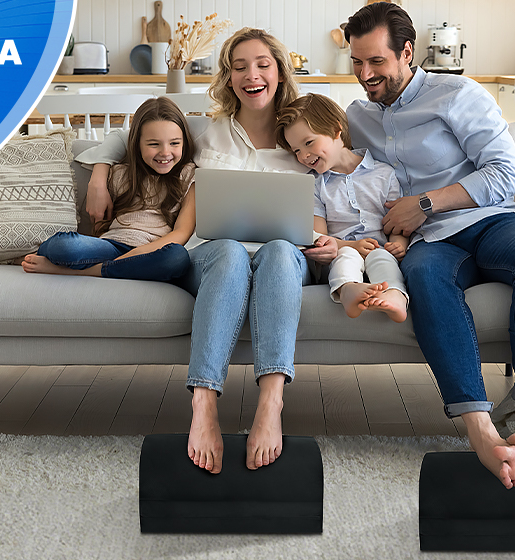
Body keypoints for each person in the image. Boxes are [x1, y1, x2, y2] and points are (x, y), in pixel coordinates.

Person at [343, 2, 515, 489]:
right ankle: (481, 430)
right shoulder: (357, 117)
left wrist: (423, 203)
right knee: (424, 278)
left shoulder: (457, 93)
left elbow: (506, 173)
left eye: (376, 62)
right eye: (356, 62)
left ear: (407, 52)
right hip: (430, 242)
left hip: (488, 221)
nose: (365, 74)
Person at [80, 28, 318, 474]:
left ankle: (271, 404)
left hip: (281, 260)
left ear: (280, 72)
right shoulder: (206, 131)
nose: (252, 76)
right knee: (227, 250)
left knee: (283, 251)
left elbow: (347, 157)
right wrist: (97, 176)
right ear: (227, 78)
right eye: (239, 67)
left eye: (263, 65)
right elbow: (129, 137)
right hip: (212, 257)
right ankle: (204, 405)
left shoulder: (304, 134)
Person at [22, 96, 195, 284]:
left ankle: (79, 272)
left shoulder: (189, 176)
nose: (165, 152)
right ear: (137, 143)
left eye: (174, 143)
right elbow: (99, 225)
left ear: (184, 142)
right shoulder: (120, 173)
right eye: (154, 144)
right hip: (111, 245)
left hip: (154, 251)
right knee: (63, 245)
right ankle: (116, 269)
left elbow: (182, 232)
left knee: (177, 258)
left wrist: (134, 256)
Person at [275, 93, 409, 323]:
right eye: (296, 150)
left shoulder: (384, 173)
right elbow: (319, 238)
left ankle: (395, 296)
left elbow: (397, 220)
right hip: (339, 252)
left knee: (382, 257)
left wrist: (399, 244)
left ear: (336, 130)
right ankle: (347, 290)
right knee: (347, 256)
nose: (304, 156)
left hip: (379, 248)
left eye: (308, 143)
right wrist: (352, 245)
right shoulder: (315, 185)